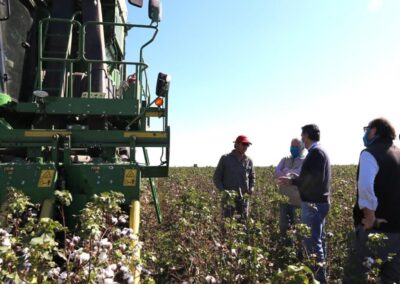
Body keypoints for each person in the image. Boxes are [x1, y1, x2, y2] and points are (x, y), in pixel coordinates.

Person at [343, 118, 400, 283]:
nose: (365, 133)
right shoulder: (398, 153)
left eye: (367, 129)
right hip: (397, 231)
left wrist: (369, 217)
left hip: (375, 229)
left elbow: (365, 186)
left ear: (374, 131)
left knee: (355, 275)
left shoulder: (370, 153)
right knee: (391, 277)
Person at [278, 124, 331, 283]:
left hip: (313, 204)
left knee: (313, 245)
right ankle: (319, 275)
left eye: (302, 136)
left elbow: (314, 179)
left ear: (307, 135)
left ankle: (319, 279)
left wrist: (293, 180)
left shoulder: (316, 153)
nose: (302, 139)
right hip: (318, 203)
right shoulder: (319, 152)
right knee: (317, 240)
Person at [213, 135, 256, 220]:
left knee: (242, 221)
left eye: (247, 145)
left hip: (243, 198)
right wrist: (223, 191)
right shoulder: (225, 159)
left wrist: (252, 188)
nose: (246, 147)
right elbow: (216, 178)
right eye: (243, 144)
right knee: (227, 222)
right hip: (228, 199)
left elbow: (252, 177)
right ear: (236, 145)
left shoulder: (249, 161)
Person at [274, 138, 305, 236]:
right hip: (283, 199)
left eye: (296, 146)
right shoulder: (284, 159)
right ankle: (285, 247)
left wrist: (286, 171)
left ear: (302, 148)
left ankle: (297, 250)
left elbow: (299, 174)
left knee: (297, 227)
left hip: (297, 201)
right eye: (292, 146)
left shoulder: (305, 161)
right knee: (283, 227)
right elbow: (276, 172)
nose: (293, 148)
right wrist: (290, 173)